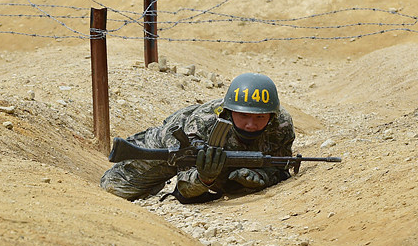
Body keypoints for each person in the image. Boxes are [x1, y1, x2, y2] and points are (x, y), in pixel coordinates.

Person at [100, 72, 295, 203]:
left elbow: (278, 167)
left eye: (260, 117)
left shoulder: (281, 125)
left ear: (272, 115)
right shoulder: (204, 122)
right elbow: (185, 188)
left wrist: (262, 176)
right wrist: (204, 178)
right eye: (244, 115)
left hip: (222, 156)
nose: (251, 125)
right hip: (175, 144)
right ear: (229, 111)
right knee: (115, 188)